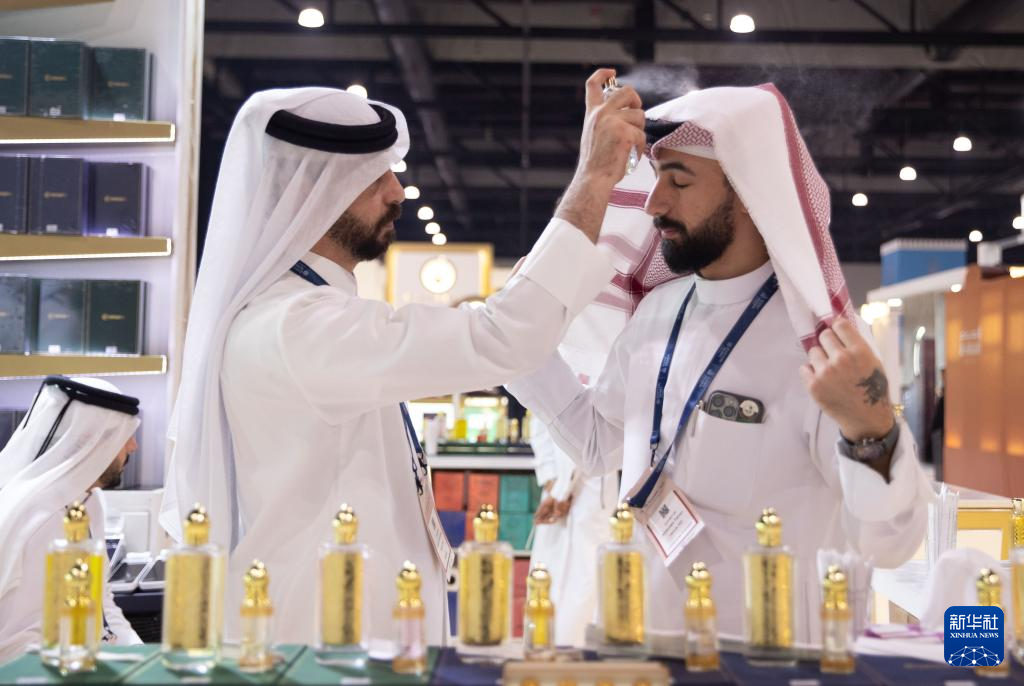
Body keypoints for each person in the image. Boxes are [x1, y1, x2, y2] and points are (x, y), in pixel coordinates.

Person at [161, 70, 645, 647]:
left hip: (351, 632)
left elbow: (509, 346)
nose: (396, 192)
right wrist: (594, 176)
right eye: (374, 177)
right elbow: (501, 337)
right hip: (325, 644)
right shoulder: (297, 326)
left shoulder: (310, 312)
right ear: (314, 190)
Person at [507, 84, 933, 643]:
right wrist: (517, 337)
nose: (655, 203)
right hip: (647, 646)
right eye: (657, 180)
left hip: (769, 659)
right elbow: (595, 443)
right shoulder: (658, 312)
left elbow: (889, 543)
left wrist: (870, 432)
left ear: (750, 193)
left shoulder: (819, 343)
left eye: (679, 182)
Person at [0, 376, 142, 662]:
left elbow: (101, 605)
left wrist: (139, 658)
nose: (133, 446)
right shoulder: (40, 518)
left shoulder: (89, 499)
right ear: (94, 442)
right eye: (124, 436)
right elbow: (14, 645)